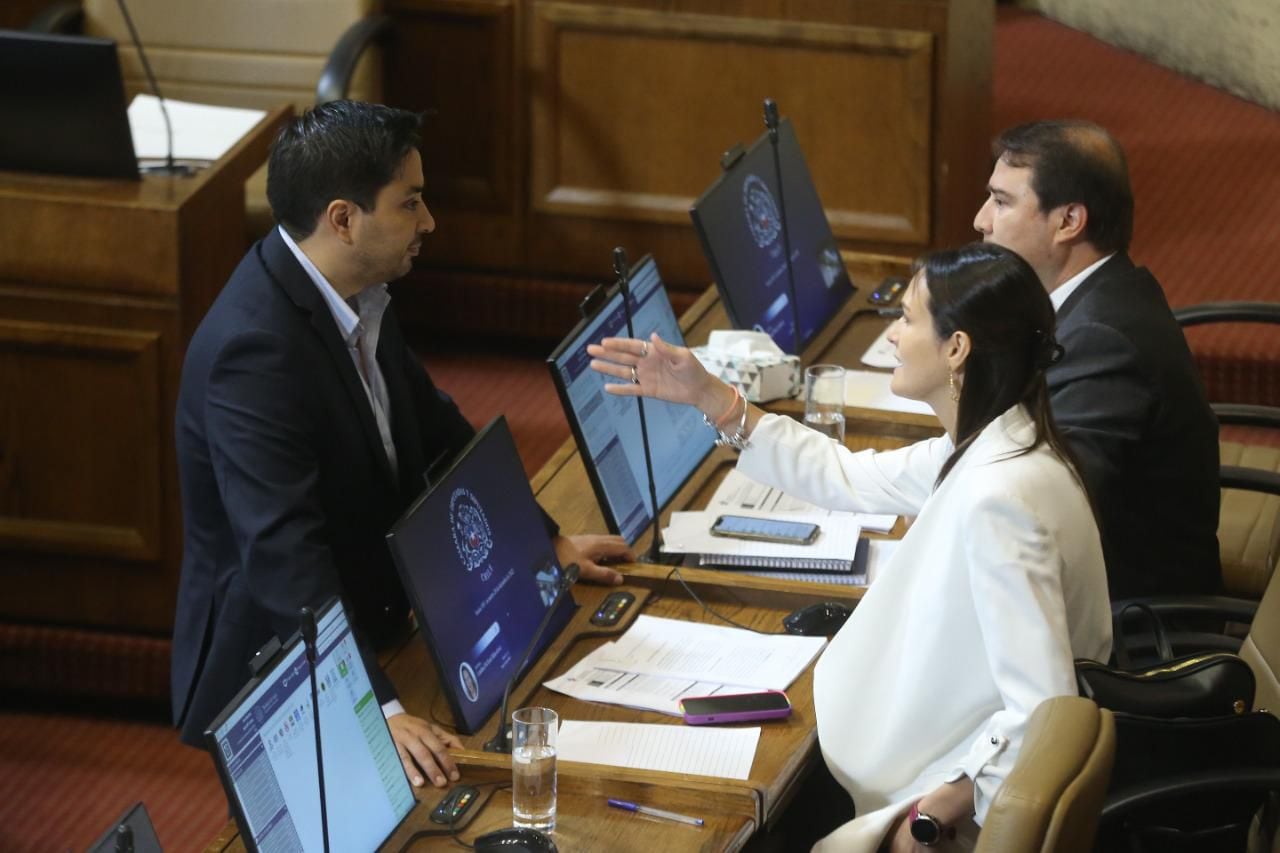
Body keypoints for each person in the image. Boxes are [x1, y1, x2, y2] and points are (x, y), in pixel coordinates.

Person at [589, 243, 1112, 851]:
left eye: (909, 318)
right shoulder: (1000, 437)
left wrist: (941, 804)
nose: (892, 334)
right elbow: (848, 475)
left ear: (957, 349)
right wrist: (714, 398)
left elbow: (1042, 710)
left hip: (940, 812)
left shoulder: (999, 498)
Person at [171, 100, 631, 790]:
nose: (430, 221)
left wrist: (542, 541)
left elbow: (438, 432)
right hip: (282, 676)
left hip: (377, 620)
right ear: (343, 220)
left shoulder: (358, 288)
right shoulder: (253, 353)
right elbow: (283, 560)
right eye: (410, 203)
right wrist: (371, 708)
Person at [974, 119, 1220, 599]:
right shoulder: (1103, 293)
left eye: (1001, 202)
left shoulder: (1101, 336)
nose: (981, 220)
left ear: (1068, 221)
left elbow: (1043, 510)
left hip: (1127, 630)